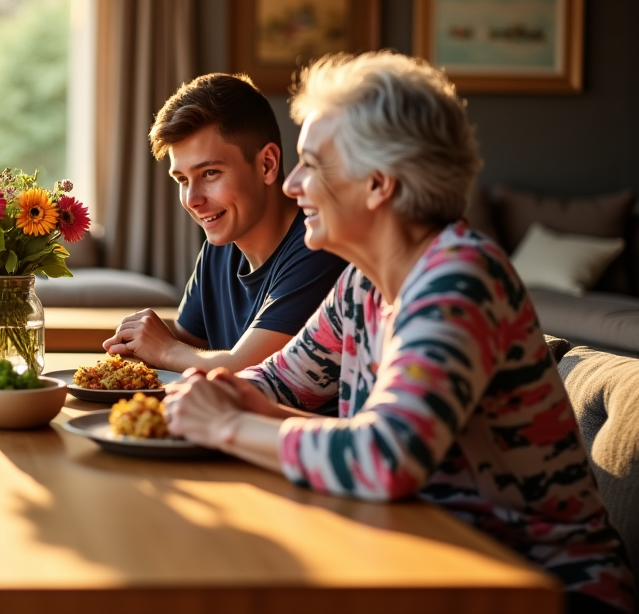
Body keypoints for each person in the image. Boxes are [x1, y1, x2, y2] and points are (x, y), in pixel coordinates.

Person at [164, 52, 633, 614]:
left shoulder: (459, 280)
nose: (291, 184)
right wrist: (212, 396)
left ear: (378, 183)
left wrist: (227, 424)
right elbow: (273, 382)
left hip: (544, 592)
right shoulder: (364, 285)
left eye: (312, 164)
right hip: (431, 567)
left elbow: (386, 456)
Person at [104, 73, 349, 373]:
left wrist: (165, 348)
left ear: (267, 164)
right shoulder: (219, 248)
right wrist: (140, 345)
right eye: (182, 179)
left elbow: (250, 370)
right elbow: (185, 344)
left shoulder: (317, 245)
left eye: (209, 173)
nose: (192, 199)